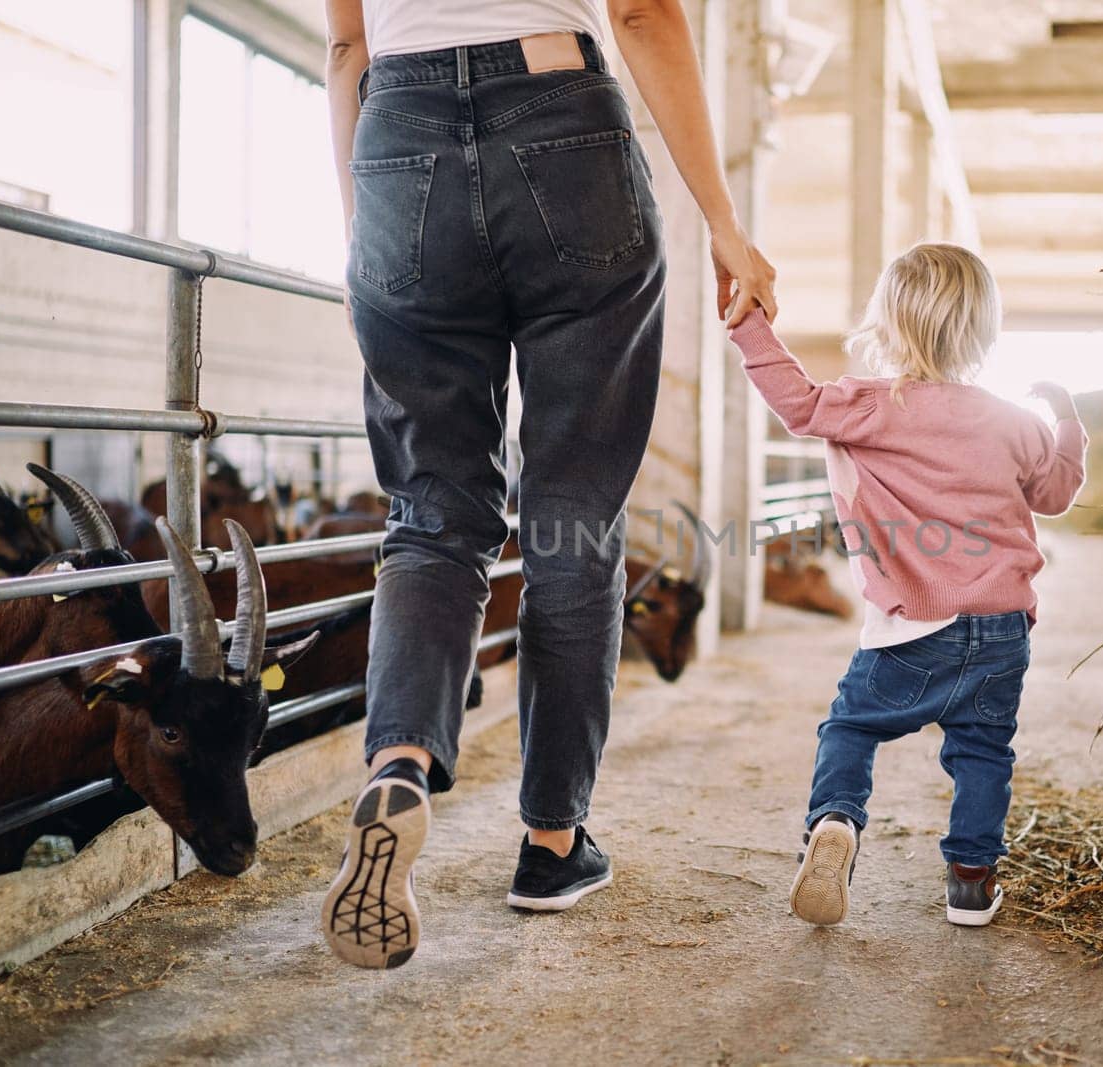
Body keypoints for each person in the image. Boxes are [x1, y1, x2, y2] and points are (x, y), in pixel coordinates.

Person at [319, 0, 777, 969]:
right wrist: (723, 223)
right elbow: (641, 12)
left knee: (432, 513)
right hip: (562, 127)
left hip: (396, 141)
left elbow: (346, 47)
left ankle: (398, 758)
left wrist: (366, 231)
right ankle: (551, 841)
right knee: (572, 516)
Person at [728, 243, 1086, 928]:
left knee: (852, 724)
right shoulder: (1016, 422)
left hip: (914, 626)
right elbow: (1057, 493)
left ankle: (835, 821)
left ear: (887, 325)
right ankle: (971, 883)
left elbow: (796, 402)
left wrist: (749, 324)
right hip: (1003, 628)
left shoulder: (870, 405)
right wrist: (1067, 421)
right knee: (983, 749)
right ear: (984, 330)